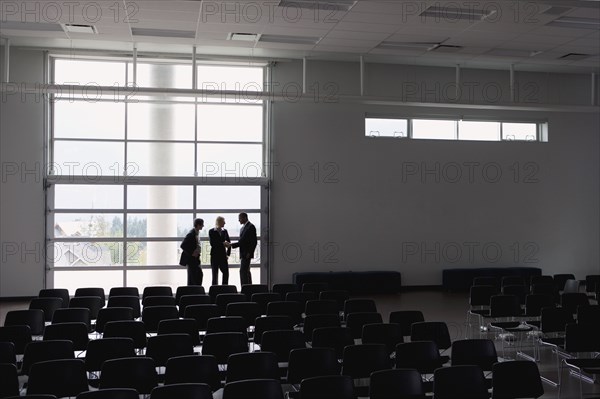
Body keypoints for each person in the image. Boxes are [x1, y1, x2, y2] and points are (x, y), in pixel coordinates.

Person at [231, 212, 257, 286]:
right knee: (246, 271)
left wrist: (250, 252)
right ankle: (249, 288)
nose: (239, 220)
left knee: (243, 271)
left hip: (247, 253)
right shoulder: (243, 228)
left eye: (240, 218)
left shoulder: (251, 227)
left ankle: (245, 288)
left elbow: (253, 242)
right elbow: (242, 241)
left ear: (244, 218)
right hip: (244, 253)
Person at [179, 218, 204, 286]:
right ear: (198, 225)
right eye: (202, 224)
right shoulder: (191, 234)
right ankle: (193, 293)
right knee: (193, 278)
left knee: (198, 276)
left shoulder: (196, 233)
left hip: (196, 259)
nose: (203, 226)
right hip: (192, 260)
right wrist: (192, 253)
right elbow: (183, 245)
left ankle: (196, 291)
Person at [209, 216, 231, 285]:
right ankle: (215, 291)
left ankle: (224, 289)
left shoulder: (225, 231)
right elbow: (212, 243)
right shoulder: (211, 231)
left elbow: (229, 242)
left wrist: (228, 254)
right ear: (219, 222)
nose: (225, 223)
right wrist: (223, 244)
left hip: (223, 255)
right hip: (214, 255)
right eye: (223, 221)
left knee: (226, 273)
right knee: (214, 275)